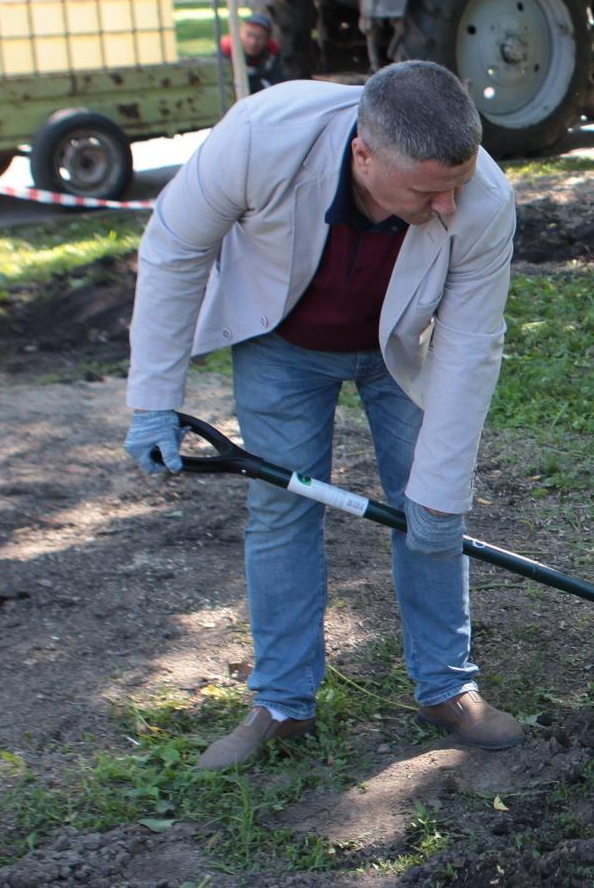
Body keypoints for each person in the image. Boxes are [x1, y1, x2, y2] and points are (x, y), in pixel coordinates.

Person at [124, 61, 522, 771]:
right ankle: (283, 704)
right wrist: (154, 399)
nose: (448, 206)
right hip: (282, 344)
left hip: (399, 349)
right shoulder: (261, 137)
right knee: (281, 513)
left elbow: (470, 344)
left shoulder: (482, 197)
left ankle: (446, 688)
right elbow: (176, 248)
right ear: (363, 156)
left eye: (456, 186)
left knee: (429, 514)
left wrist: (442, 489)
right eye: (427, 192)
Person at [219, 12, 288, 94]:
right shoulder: (225, 52)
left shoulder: (272, 54)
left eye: (260, 37)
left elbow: (278, 82)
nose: (253, 43)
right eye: (249, 35)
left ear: (267, 39)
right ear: (240, 33)